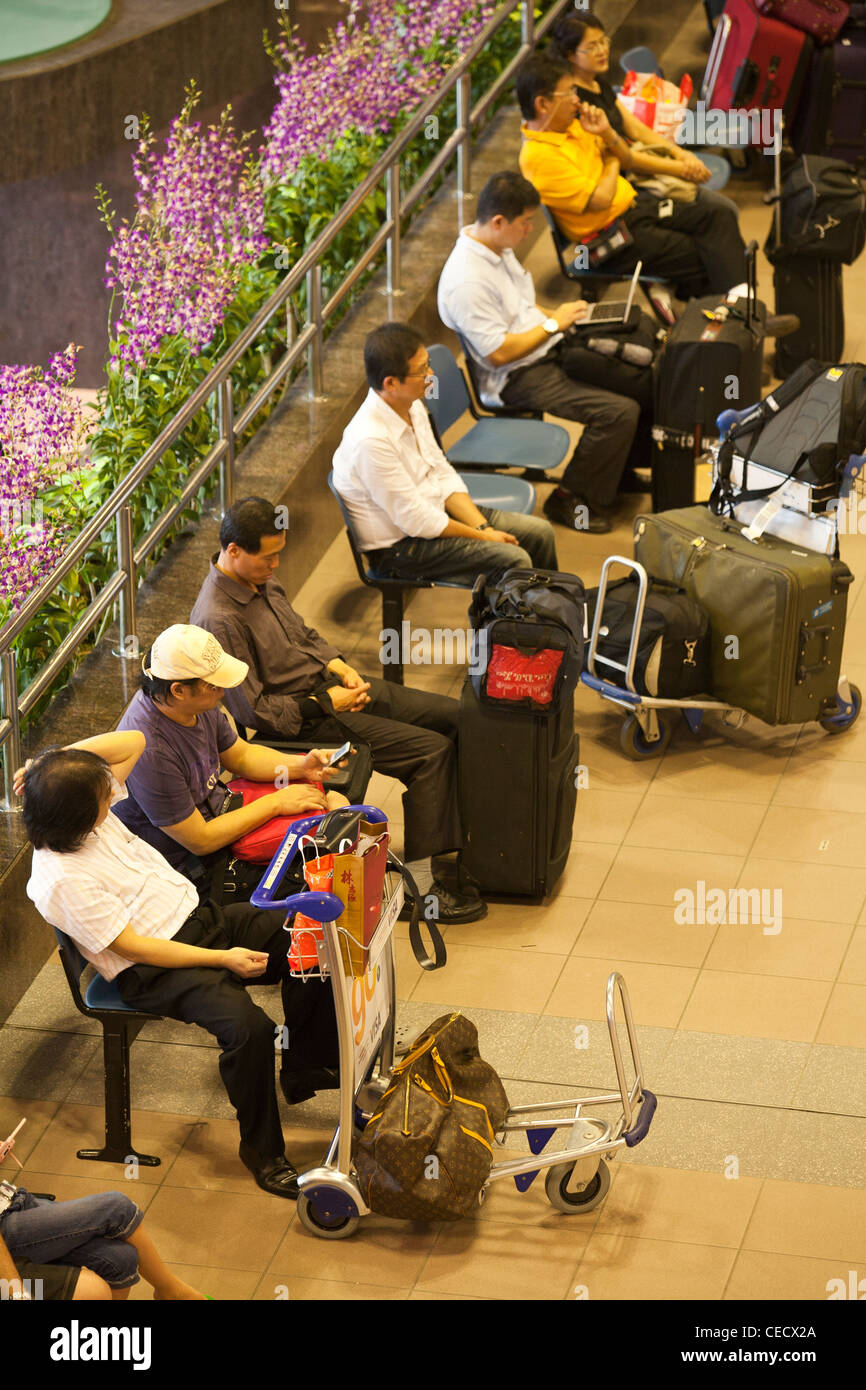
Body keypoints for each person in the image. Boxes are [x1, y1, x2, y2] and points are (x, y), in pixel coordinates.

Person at [23, 731, 340, 1199]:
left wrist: (47, 763)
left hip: (200, 918)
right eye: (100, 798)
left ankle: (304, 1070)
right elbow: (138, 949)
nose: (112, 799)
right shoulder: (59, 880)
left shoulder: (85, 818)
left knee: (313, 937)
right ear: (75, 813)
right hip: (155, 970)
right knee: (249, 1028)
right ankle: (263, 1152)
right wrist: (222, 960)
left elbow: (133, 740)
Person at [189, 496, 486, 924]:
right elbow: (255, 712)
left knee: (457, 717)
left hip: (329, 688)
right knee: (430, 753)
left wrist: (338, 664)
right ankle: (421, 889)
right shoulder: (217, 618)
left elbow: (302, 633)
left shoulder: (260, 577)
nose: (275, 565)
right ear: (233, 551)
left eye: (279, 554)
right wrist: (329, 702)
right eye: (268, 557)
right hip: (306, 719)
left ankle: (463, 848)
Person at [438, 169, 655, 533]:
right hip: (516, 376)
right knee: (617, 412)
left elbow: (522, 308)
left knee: (639, 378)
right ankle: (569, 497)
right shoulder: (466, 281)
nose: (529, 231)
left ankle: (614, 472)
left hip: (548, 346)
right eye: (524, 223)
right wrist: (553, 324)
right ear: (498, 221)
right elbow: (498, 355)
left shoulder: (498, 247)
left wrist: (563, 320)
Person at [111, 623, 347, 893]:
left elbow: (241, 756)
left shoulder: (194, 704)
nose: (223, 692)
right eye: (214, 686)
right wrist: (276, 803)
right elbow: (200, 840)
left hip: (221, 812)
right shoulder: (151, 749)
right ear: (178, 690)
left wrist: (299, 766)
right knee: (327, 858)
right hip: (183, 866)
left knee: (337, 813)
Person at [331, 321, 559, 579]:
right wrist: (484, 537)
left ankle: (554, 610)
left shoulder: (412, 404)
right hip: (400, 549)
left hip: (433, 511)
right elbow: (415, 520)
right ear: (391, 383)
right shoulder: (370, 441)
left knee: (540, 533)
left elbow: (440, 470)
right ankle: (525, 616)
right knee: (514, 558)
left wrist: (481, 526)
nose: (430, 375)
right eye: (421, 370)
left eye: (427, 364)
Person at [516, 52, 750, 300]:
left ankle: (745, 304)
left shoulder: (572, 125)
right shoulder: (538, 157)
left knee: (718, 215)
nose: (576, 100)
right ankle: (734, 315)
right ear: (543, 104)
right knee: (704, 253)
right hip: (610, 240)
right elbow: (603, 197)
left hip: (636, 207)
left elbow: (620, 153)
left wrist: (606, 134)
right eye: (569, 94)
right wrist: (611, 158)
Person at [0, 1162, 206, 1301]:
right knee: (116, 1207)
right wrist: (14, 1291)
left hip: (11, 1200)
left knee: (121, 1258)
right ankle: (170, 1290)